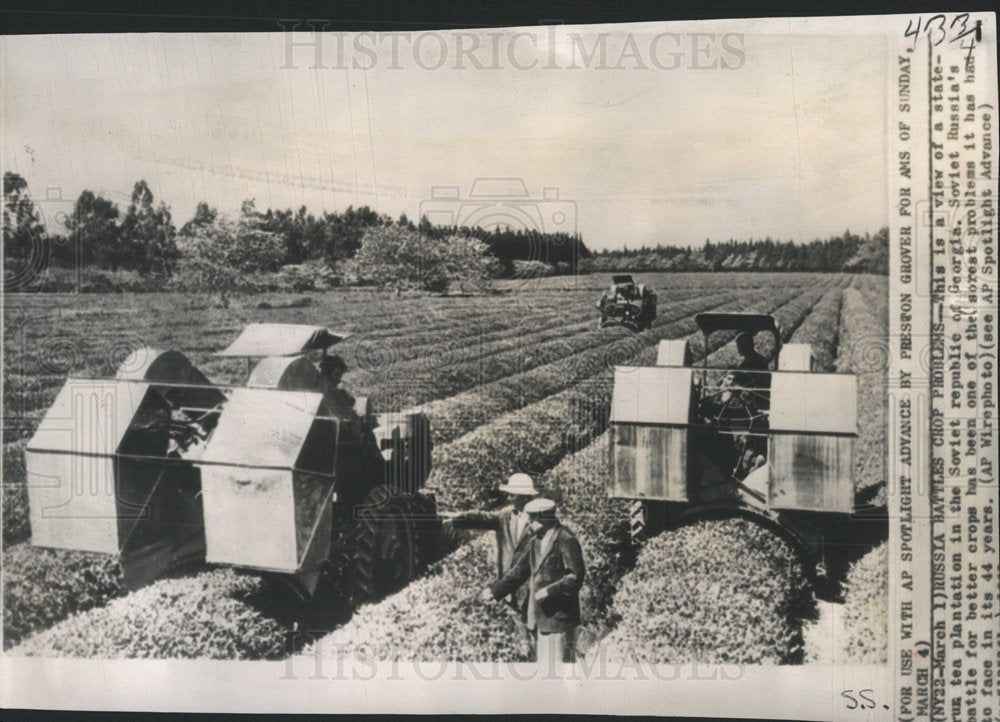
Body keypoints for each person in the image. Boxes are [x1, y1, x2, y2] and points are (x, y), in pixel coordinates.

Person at [482, 498, 586, 672]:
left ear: (544, 518)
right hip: (539, 618)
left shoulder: (566, 540)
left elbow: (576, 576)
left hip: (559, 619)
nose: (528, 522)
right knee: (545, 669)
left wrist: (550, 591)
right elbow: (518, 573)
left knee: (560, 669)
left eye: (531, 518)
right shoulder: (535, 541)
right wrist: (495, 590)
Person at [441, 473, 539, 624]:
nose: (508, 498)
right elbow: (482, 518)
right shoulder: (506, 515)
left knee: (533, 629)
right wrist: (457, 518)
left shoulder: (539, 522)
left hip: (530, 590)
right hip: (507, 588)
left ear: (524, 497)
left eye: (512, 495)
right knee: (515, 628)